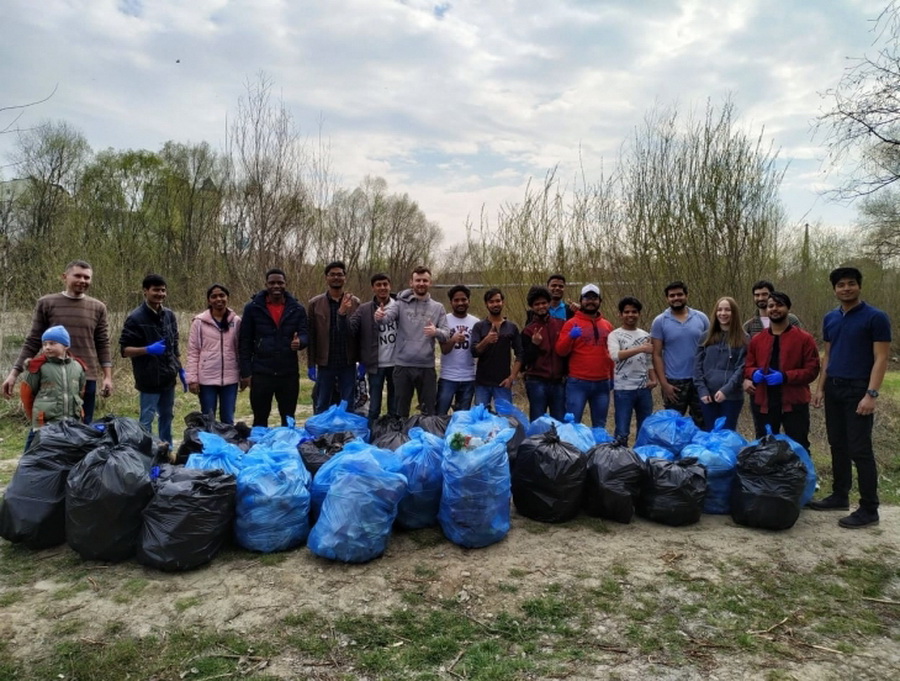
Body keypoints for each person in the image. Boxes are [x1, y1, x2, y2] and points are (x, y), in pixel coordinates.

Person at [810, 267, 891, 529]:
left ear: (859, 286)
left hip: (859, 390)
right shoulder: (830, 318)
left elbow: (881, 358)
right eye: (841, 285)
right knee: (838, 444)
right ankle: (839, 495)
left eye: (851, 284)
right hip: (834, 388)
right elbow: (828, 357)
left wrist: (871, 394)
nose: (846, 288)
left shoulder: (876, 317)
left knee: (860, 449)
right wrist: (820, 388)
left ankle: (869, 508)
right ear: (834, 290)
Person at [2, 260, 112, 422]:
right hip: (50, 378)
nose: (83, 280)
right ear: (64, 277)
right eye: (78, 276)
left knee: (83, 428)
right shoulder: (46, 303)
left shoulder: (98, 307)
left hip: (85, 378)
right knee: (44, 428)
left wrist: (107, 377)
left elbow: (102, 343)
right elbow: (33, 341)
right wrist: (13, 374)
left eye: (87, 277)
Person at [743, 292, 819, 450]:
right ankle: (767, 475)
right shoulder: (757, 340)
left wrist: (785, 377)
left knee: (799, 446)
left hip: (794, 403)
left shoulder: (804, 339)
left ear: (788, 308)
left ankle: (800, 474)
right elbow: (747, 366)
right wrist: (752, 373)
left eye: (779, 305)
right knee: (765, 447)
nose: (774, 309)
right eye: (771, 306)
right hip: (764, 403)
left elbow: (812, 370)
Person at [374, 266, 451, 417]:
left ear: (430, 283)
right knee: (400, 411)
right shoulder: (400, 304)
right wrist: (379, 316)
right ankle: (402, 438)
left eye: (424, 280)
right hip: (403, 366)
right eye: (418, 280)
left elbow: (447, 334)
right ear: (411, 282)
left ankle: (426, 438)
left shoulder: (438, 307)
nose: (421, 283)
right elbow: (385, 319)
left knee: (428, 411)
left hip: (426, 367)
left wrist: (436, 332)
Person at [238, 268, 308, 427]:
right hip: (262, 373)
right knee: (260, 418)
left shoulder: (297, 308)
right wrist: (246, 372)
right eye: (272, 283)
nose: (276, 286)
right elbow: (245, 341)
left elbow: (305, 333)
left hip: (288, 372)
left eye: (280, 282)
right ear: (266, 284)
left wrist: (301, 342)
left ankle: (287, 450)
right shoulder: (252, 308)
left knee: (288, 418)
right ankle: (260, 450)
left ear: (285, 284)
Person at [119, 274, 184, 445]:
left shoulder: (169, 315)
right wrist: (147, 350)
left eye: (163, 290)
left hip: (168, 377)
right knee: (146, 419)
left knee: (167, 416)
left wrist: (180, 368)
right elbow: (125, 350)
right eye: (156, 290)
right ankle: (145, 453)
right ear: (145, 291)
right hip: (148, 378)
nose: (160, 294)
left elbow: (174, 344)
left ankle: (167, 450)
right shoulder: (135, 318)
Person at [651, 281, 710, 427]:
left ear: (686, 296)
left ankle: (697, 450)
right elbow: (656, 354)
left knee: (702, 423)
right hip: (674, 382)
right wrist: (664, 384)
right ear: (667, 298)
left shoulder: (701, 318)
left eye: (679, 294)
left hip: (699, 379)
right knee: (673, 427)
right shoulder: (660, 321)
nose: (676, 298)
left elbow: (710, 348)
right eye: (672, 296)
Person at [555, 284, 615, 426]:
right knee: (572, 424)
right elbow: (560, 351)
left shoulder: (607, 325)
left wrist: (612, 377)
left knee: (600, 424)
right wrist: (570, 336)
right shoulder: (571, 324)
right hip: (578, 382)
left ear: (600, 301)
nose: (590, 301)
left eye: (594, 298)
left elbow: (611, 354)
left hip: (602, 383)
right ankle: (574, 448)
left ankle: (598, 448)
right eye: (587, 298)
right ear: (581, 301)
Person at [19, 326, 86, 450]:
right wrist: (33, 417)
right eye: (44, 344)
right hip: (45, 422)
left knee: (66, 453)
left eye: (52, 343)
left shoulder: (78, 366)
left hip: (72, 421)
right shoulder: (37, 367)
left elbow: (81, 390)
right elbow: (26, 394)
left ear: (66, 346)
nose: (47, 347)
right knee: (35, 453)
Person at [308, 261, 360, 414]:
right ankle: (320, 435)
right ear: (326, 278)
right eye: (332, 274)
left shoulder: (355, 303)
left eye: (340, 274)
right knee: (322, 402)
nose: (336, 277)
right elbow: (311, 335)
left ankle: (347, 434)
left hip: (348, 361)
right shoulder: (315, 304)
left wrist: (361, 360)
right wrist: (311, 364)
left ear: (345, 278)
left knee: (348, 403)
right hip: (325, 362)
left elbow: (360, 334)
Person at [186, 284, 241, 424]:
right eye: (214, 296)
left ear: (227, 297)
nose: (218, 299)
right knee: (208, 419)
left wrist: (245, 374)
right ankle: (210, 445)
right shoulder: (199, 322)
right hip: (207, 379)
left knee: (228, 419)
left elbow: (241, 350)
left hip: (230, 379)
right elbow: (193, 351)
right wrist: (192, 379)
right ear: (209, 300)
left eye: (222, 295)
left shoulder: (236, 321)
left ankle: (227, 445)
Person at [692, 297, 747, 431]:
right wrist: (702, 390)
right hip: (708, 396)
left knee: (726, 434)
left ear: (734, 313)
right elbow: (697, 366)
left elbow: (742, 368)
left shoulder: (744, 338)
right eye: (720, 309)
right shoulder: (706, 337)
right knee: (711, 433)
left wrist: (725, 391)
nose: (723, 313)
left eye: (727, 310)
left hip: (731, 397)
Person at [608, 296, 657, 443]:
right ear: (620, 314)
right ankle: (621, 461)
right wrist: (640, 348)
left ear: (639, 314)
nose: (630, 315)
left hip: (643, 389)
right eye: (627, 312)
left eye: (634, 312)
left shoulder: (645, 335)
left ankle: (641, 459)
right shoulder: (614, 335)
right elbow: (615, 355)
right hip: (623, 389)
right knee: (622, 431)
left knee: (645, 429)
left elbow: (648, 361)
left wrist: (654, 379)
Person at [349, 273, 397, 423]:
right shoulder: (364, 309)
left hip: (397, 364)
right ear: (373, 288)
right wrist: (342, 314)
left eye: (385, 284)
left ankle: (393, 434)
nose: (382, 288)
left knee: (395, 405)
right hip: (375, 365)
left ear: (390, 286)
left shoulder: (400, 306)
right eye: (378, 285)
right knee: (374, 406)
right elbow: (350, 329)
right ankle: (373, 434)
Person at [470, 288, 523, 410]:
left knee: (506, 419)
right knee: (481, 420)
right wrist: (486, 340)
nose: (495, 304)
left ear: (503, 302)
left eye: (498, 301)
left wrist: (512, 378)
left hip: (503, 383)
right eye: (491, 302)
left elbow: (520, 354)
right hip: (482, 383)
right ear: (486, 304)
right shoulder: (479, 326)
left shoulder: (511, 327)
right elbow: (474, 352)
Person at [521, 285, 567, 421]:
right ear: (532, 306)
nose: (541, 306)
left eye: (544, 303)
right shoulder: (528, 331)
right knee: (537, 422)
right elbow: (525, 360)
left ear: (549, 303)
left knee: (559, 423)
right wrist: (534, 345)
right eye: (537, 304)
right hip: (536, 382)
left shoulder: (561, 324)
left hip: (558, 382)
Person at [436, 285, 479, 415]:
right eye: (456, 300)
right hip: (448, 377)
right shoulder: (444, 321)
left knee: (462, 418)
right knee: (440, 414)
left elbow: (478, 350)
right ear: (451, 302)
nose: (460, 303)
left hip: (469, 377)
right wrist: (453, 339)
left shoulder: (476, 322)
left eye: (463, 299)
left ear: (469, 301)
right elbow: (444, 350)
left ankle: (456, 436)